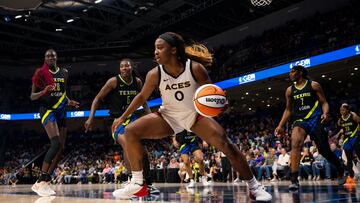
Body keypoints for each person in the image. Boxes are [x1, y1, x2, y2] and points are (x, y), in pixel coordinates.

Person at [111, 32, 272, 201]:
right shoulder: (154, 74)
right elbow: (142, 97)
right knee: (129, 131)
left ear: (173, 50)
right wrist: (122, 117)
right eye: (155, 49)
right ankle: (138, 185)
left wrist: (220, 103)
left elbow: (211, 93)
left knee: (226, 144)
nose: (155, 52)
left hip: (194, 115)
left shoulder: (195, 68)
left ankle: (254, 187)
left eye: (160, 48)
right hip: (168, 116)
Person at [84, 59, 158, 193]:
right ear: (119, 69)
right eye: (122, 66)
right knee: (128, 145)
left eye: (127, 66)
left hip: (134, 119)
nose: (124, 68)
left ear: (131, 67)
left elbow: (143, 101)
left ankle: (148, 182)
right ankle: (132, 179)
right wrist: (90, 117)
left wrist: (151, 116)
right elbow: (97, 98)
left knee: (144, 153)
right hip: (116, 121)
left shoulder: (138, 82)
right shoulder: (113, 81)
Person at [275, 65, 345, 190]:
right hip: (299, 120)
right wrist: (280, 125)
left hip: (314, 119)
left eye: (293, 71)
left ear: (300, 73)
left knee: (324, 150)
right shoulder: (289, 90)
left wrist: (325, 113)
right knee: (295, 143)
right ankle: (294, 179)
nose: (290, 74)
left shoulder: (314, 85)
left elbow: (324, 102)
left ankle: (340, 168)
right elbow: (288, 109)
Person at [30, 49, 79, 196]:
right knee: (55, 143)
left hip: (61, 110)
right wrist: (44, 91)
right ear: (45, 59)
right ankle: (41, 180)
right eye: (47, 56)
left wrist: (68, 101)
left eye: (52, 55)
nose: (50, 57)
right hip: (47, 110)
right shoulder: (40, 73)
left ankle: (44, 182)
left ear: (57, 57)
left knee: (61, 147)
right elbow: (32, 96)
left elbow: (62, 93)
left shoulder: (64, 72)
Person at [337, 103, 360, 184]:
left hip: (354, 137)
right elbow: (341, 128)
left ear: (347, 110)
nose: (341, 111)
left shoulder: (353, 116)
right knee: (348, 159)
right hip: (347, 139)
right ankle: (351, 176)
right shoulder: (340, 120)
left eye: (343, 110)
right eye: (340, 110)